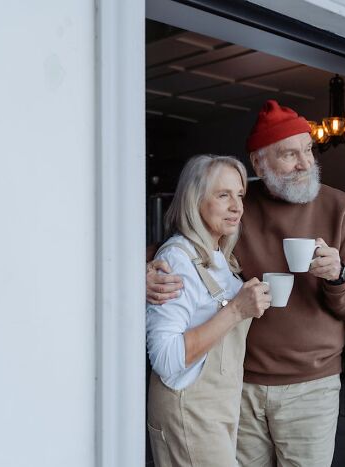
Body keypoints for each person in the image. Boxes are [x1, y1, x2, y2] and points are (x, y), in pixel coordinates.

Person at [147, 100, 345, 467]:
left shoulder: (340, 208)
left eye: (308, 150)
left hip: (310, 386)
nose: (305, 163)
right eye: (289, 154)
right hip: (239, 386)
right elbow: (183, 245)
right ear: (259, 164)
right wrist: (141, 271)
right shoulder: (238, 208)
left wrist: (338, 275)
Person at [146, 154, 271, 467]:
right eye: (223, 195)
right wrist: (235, 311)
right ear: (194, 199)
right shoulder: (177, 261)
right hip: (189, 411)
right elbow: (166, 359)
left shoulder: (219, 259)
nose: (237, 206)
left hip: (217, 410)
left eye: (240, 195)